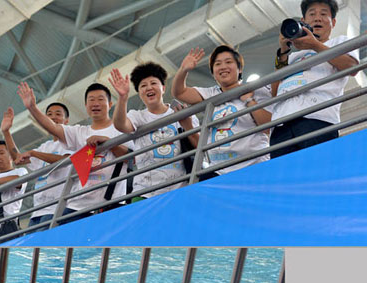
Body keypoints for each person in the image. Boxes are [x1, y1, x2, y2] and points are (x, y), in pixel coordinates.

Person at [19, 82, 131, 223]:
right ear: (86, 106)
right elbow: (54, 128)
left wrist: (107, 142)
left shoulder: (121, 128)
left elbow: (130, 159)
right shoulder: (80, 132)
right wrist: (32, 108)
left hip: (111, 202)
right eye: (91, 100)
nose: (95, 103)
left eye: (100, 99)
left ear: (110, 103)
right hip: (75, 205)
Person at [270, 0, 359, 158]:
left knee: (317, 171)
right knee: (284, 179)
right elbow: (275, 92)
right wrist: (283, 51)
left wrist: (315, 45)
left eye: (323, 14)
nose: (317, 18)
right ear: (303, 21)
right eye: (312, 14)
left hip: (317, 119)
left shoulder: (339, 42)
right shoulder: (291, 57)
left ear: (333, 22)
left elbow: (352, 67)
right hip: (281, 124)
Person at [172, 45, 272, 179]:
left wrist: (249, 100)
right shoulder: (210, 93)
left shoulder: (255, 89)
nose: (223, 67)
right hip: (219, 171)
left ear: (240, 68)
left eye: (229, 62)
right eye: (217, 64)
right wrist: (183, 70)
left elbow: (269, 125)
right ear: (213, 73)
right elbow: (179, 92)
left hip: (254, 165)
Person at [109, 62, 199, 199]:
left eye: (153, 83)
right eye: (143, 86)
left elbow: (201, 145)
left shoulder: (182, 112)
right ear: (139, 93)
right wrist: (122, 98)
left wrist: (188, 126)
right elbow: (120, 124)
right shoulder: (137, 116)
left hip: (181, 189)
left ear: (163, 88)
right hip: (144, 193)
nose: (149, 88)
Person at [0, 102, 72, 230]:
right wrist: (6, 132)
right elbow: (18, 159)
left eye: (58, 114)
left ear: (66, 121)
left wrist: (35, 153)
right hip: (37, 211)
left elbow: (64, 160)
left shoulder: (71, 142)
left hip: (57, 208)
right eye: (49, 114)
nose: (53, 117)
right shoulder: (45, 146)